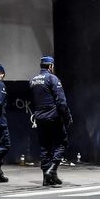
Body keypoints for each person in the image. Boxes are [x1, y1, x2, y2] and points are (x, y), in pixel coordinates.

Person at [29, 55, 72, 187]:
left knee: (45, 147)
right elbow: (61, 101)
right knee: (62, 143)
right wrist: (67, 117)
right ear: (50, 66)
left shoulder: (33, 80)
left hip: (39, 117)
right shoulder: (52, 79)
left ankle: (47, 178)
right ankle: (52, 169)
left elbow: (32, 100)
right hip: (53, 117)